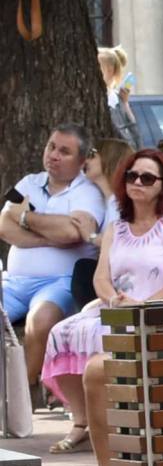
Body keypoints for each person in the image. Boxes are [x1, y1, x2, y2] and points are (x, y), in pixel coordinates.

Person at [41, 151, 163, 466]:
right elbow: (100, 277)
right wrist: (113, 299)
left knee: (100, 361)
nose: (138, 183)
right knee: (65, 332)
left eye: (148, 178)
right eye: (132, 176)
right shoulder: (118, 225)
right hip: (116, 307)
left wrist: (145, 304)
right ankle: (85, 430)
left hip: (158, 314)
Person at [1, 124, 107, 392]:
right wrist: (49, 237)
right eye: (51, 147)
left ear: (81, 161)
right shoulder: (29, 183)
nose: (54, 155)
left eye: (64, 151)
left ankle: (21, 395)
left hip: (59, 282)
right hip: (14, 282)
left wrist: (25, 218)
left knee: (41, 320)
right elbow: (4, 226)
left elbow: (72, 232)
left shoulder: (87, 191)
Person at [97, 45, 143, 147]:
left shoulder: (117, 98)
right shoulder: (93, 98)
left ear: (110, 71)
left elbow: (133, 131)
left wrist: (125, 103)